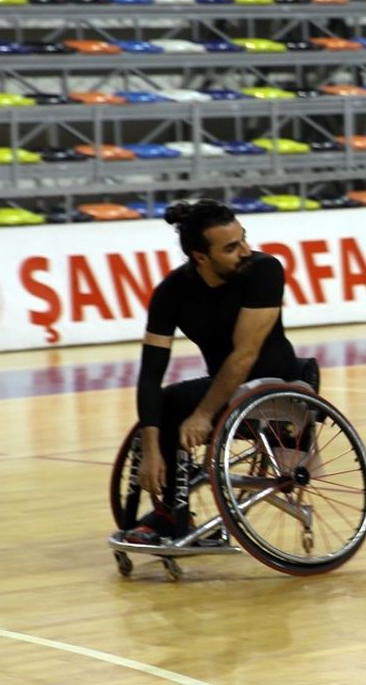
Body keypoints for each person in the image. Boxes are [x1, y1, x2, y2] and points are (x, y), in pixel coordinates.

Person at [119, 199, 304, 545]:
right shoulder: (171, 293)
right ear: (201, 256)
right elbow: (149, 374)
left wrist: (203, 414)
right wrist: (151, 444)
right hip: (228, 391)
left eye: (244, 239)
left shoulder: (265, 271)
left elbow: (244, 354)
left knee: (176, 404)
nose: (246, 251)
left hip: (275, 389)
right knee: (160, 406)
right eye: (232, 247)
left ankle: (170, 517)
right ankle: (166, 513)